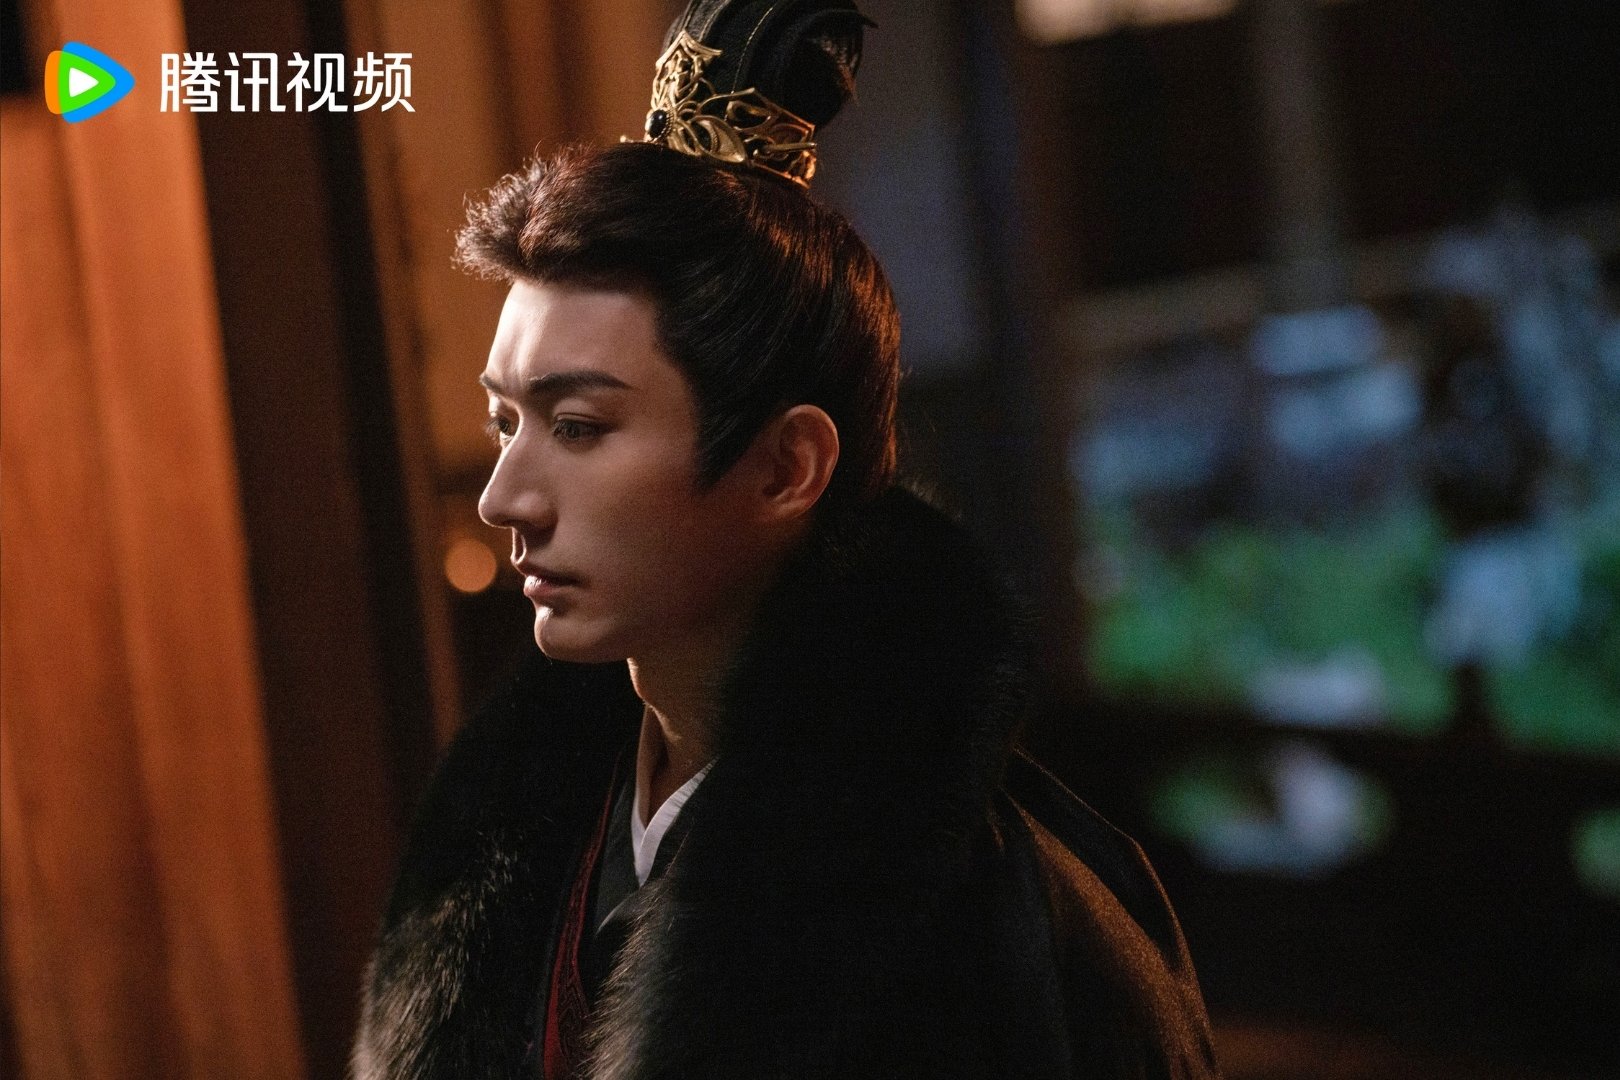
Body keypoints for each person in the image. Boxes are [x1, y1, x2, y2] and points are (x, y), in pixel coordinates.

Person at [352, 2, 1220, 1077]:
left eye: (576, 427)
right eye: (504, 423)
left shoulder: (998, 921)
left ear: (785, 466)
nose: (503, 498)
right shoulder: (512, 847)